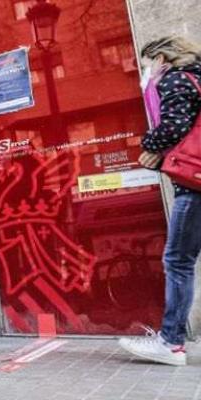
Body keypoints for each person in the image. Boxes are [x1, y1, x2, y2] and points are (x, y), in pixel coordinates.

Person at [119, 36, 201, 366]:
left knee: (178, 261)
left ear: (162, 57)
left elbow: (174, 126)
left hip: (194, 185)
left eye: (147, 63)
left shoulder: (176, 78)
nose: (147, 71)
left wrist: (149, 144)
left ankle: (170, 342)